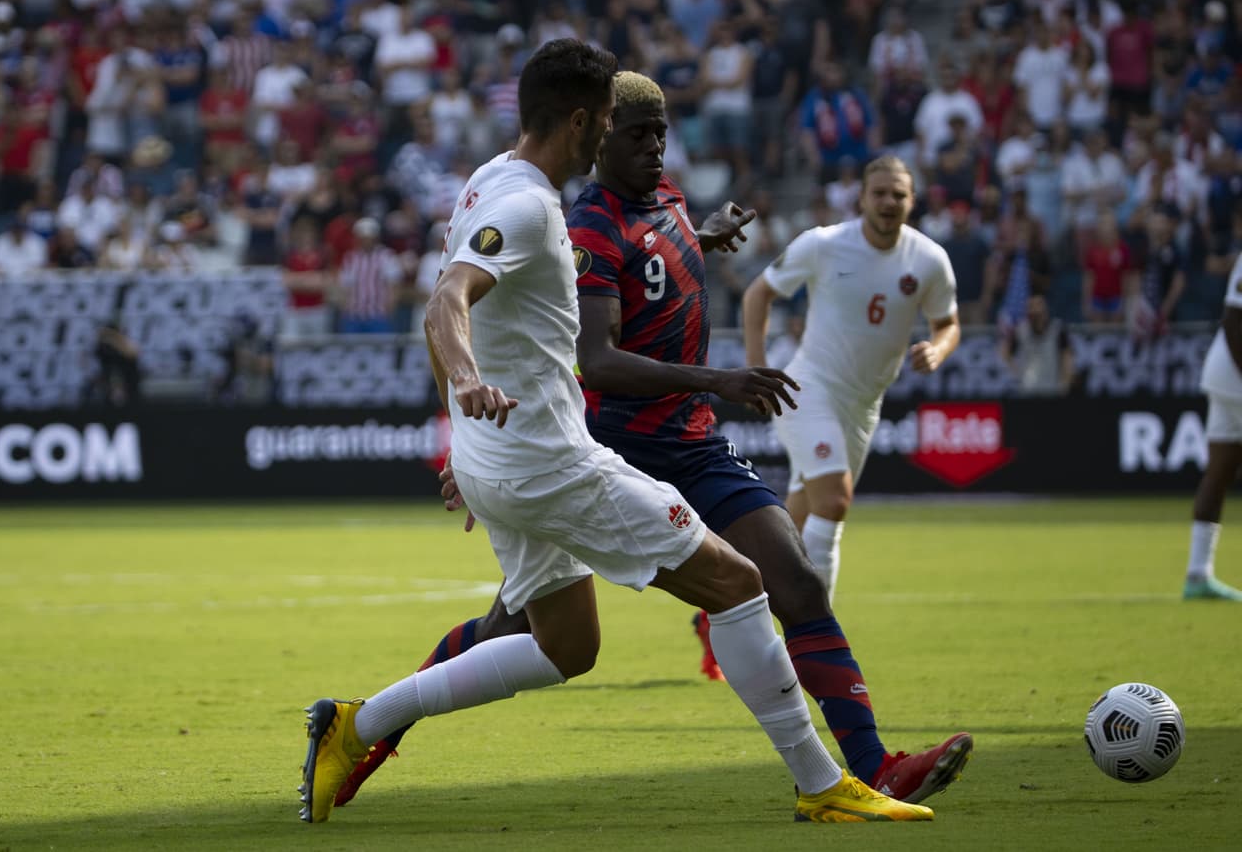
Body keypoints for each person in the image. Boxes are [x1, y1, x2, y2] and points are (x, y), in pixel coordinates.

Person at [299, 42, 935, 827]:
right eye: (607, 122)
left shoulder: (488, 181)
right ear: (578, 121)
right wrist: (466, 381)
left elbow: (463, 294)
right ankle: (824, 782)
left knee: (566, 646)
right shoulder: (531, 205)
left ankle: (352, 725)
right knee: (739, 584)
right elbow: (447, 305)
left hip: (499, 454)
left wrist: (462, 432)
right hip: (551, 461)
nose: (615, 138)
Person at [740, 155, 961, 605]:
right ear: (860, 197)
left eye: (898, 195)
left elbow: (949, 323)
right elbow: (757, 294)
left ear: (912, 201)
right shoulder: (823, 244)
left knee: (799, 521)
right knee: (834, 501)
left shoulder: (929, 260)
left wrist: (938, 349)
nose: (888, 202)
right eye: (878, 193)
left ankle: (733, 604)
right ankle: (819, 636)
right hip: (810, 387)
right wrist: (757, 370)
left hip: (864, 404)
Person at [1182, 251, 1242, 601]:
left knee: (1219, 472)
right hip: (1234, 375)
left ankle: (1198, 574)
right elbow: (1235, 324)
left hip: (1223, 377)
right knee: (1219, 471)